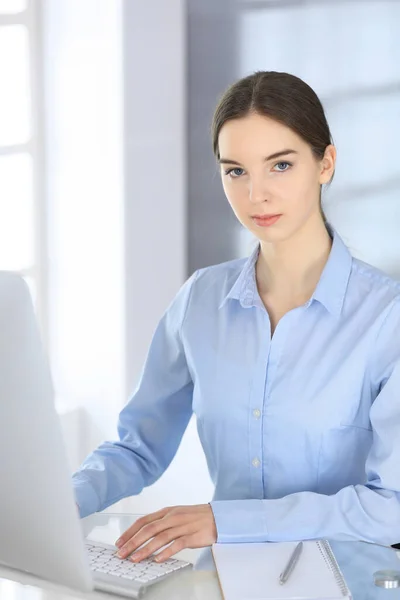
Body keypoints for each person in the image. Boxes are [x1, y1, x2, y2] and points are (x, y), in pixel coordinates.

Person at [72, 71, 400, 564]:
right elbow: (138, 448)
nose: (256, 194)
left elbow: (390, 507)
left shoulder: (386, 319)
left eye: (281, 165)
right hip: (223, 581)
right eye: (236, 171)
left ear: (325, 163)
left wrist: (226, 521)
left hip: (347, 586)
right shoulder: (201, 300)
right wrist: (52, 507)